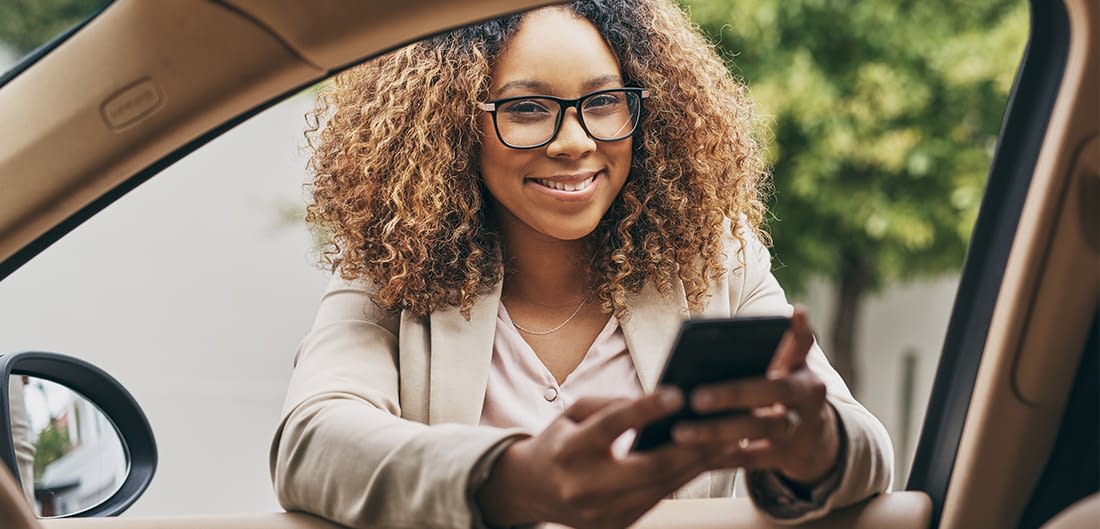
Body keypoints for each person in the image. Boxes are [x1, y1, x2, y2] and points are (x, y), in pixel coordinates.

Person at [270, 1, 894, 528]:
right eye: (526, 109)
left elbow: (865, 447)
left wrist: (815, 448)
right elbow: (313, 441)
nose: (575, 142)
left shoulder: (716, 257)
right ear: (451, 125)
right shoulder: (393, 266)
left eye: (603, 102)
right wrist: (510, 480)